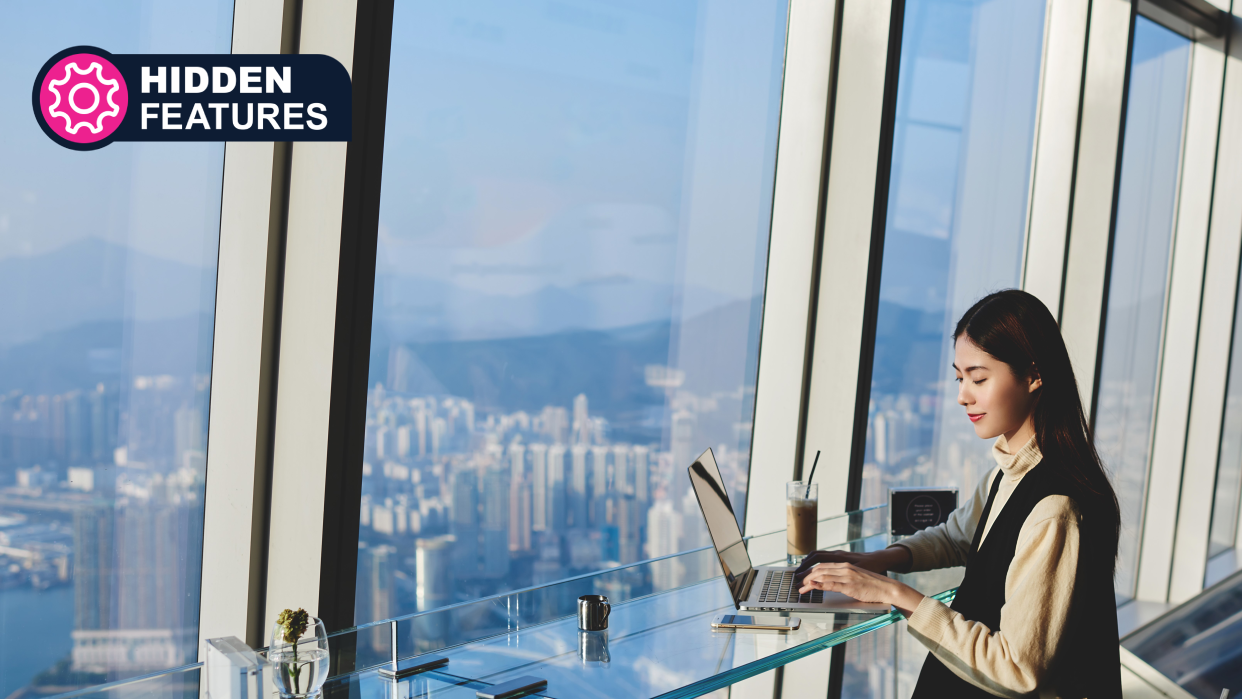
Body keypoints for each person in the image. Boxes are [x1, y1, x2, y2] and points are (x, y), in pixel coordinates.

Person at [795, 289, 1122, 698]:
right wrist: (873, 561)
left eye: (979, 378)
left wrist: (892, 592)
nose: (962, 395)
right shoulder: (1009, 472)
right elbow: (956, 537)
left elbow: (1017, 670)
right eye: (960, 377)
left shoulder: (1055, 508)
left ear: (1034, 375)